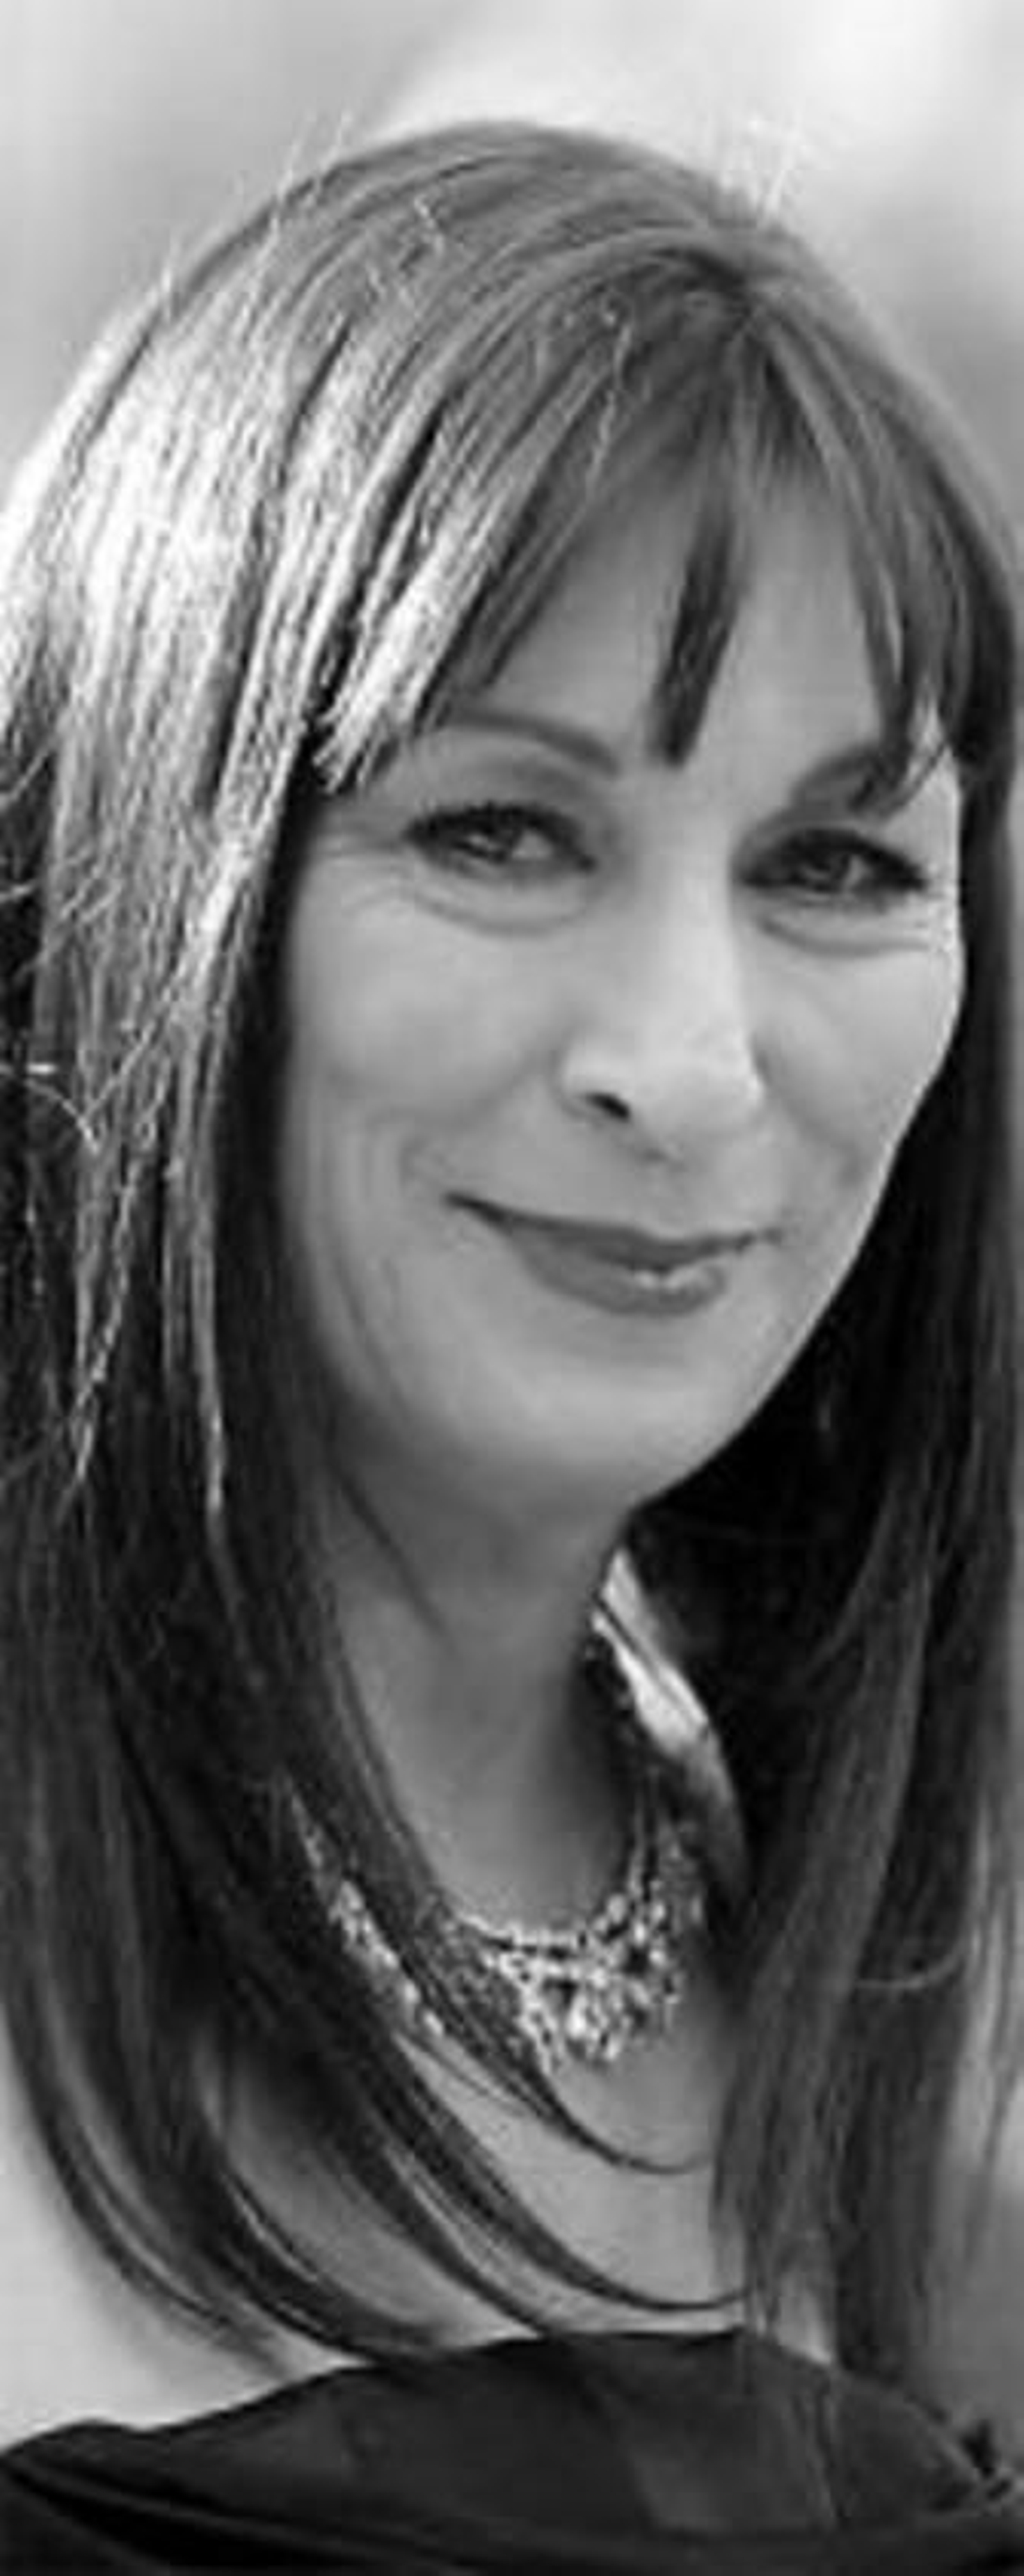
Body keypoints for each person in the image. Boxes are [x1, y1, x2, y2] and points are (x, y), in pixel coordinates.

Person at [0, 116, 1022, 2571]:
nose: (691, 1064)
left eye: (833, 864)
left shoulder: (909, 2005)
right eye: (499, 830)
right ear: (144, 873)